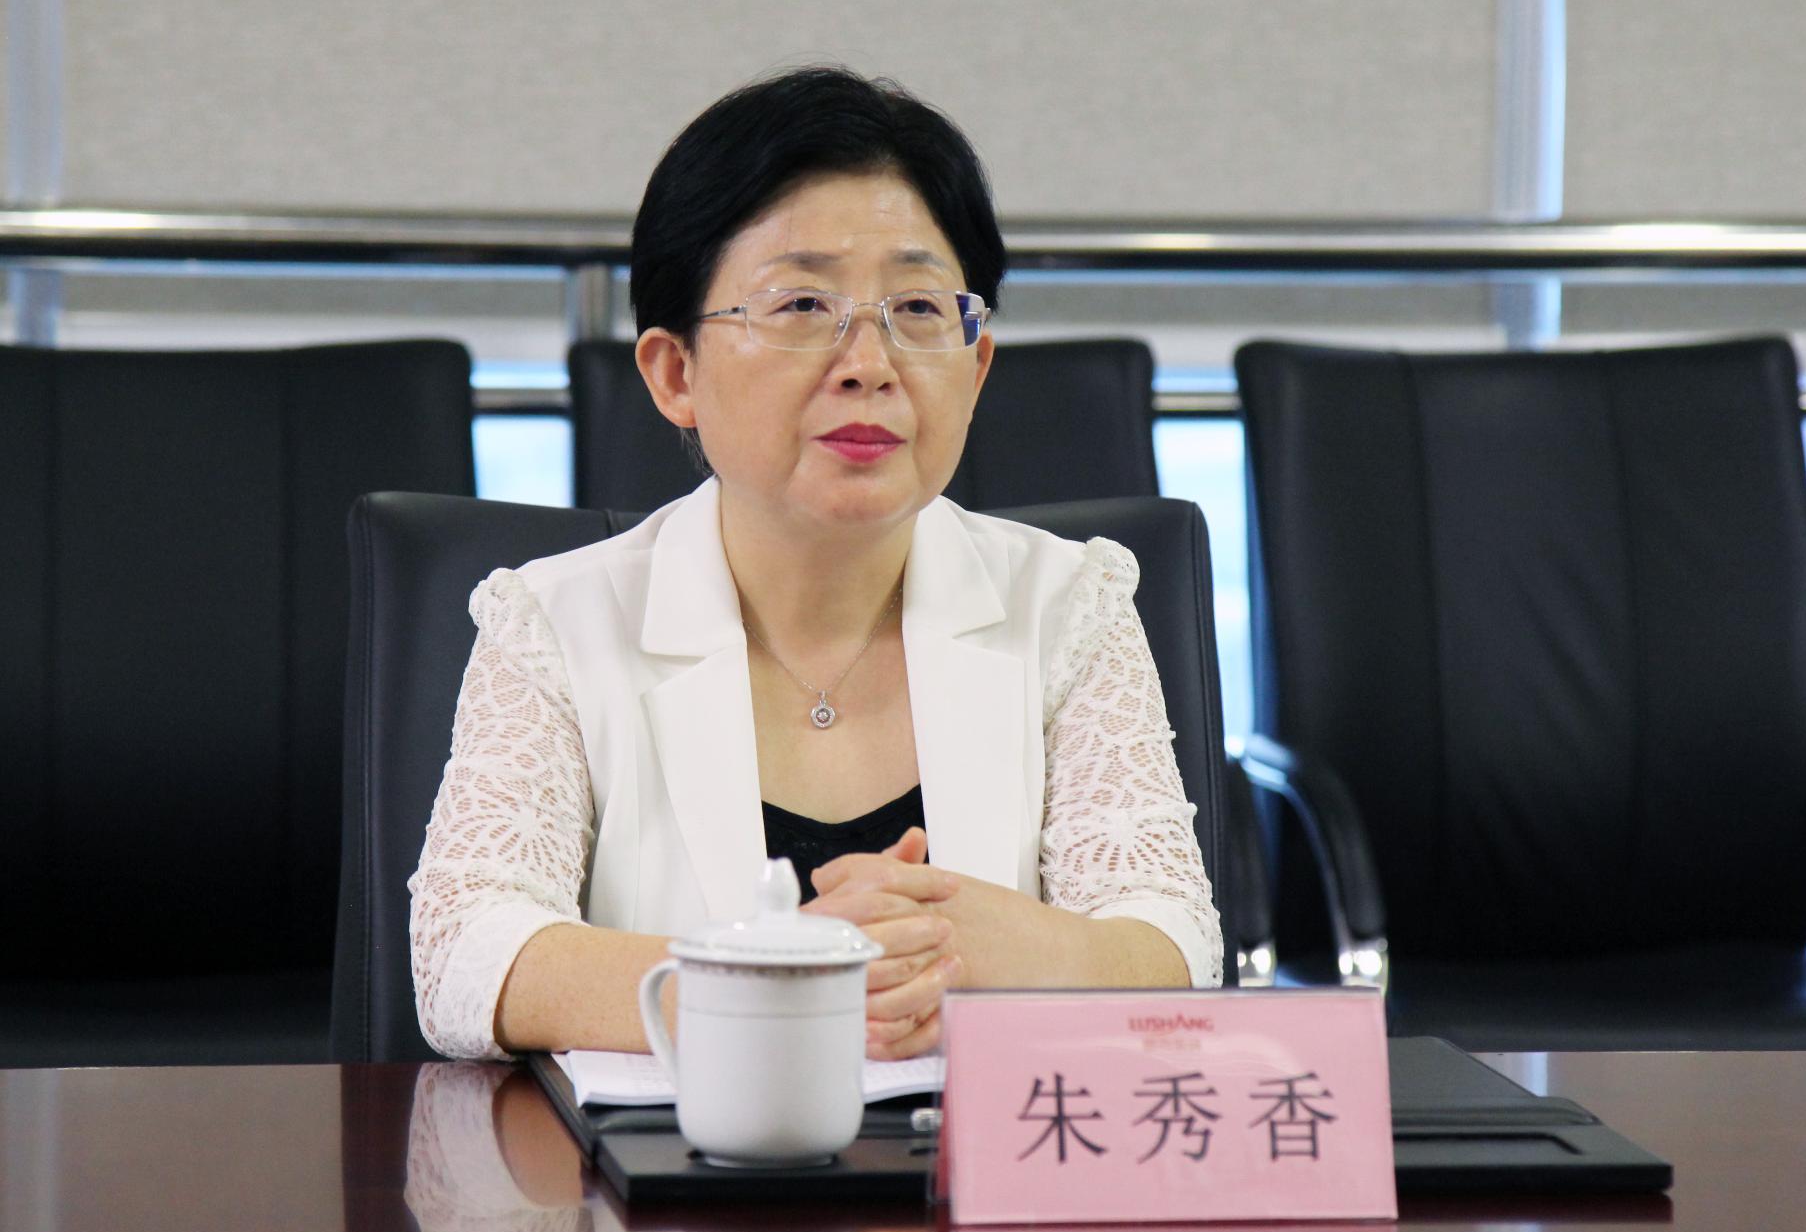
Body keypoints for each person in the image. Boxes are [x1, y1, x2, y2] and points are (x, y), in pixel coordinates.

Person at [409, 66, 1221, 1064]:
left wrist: (985, 949)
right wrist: (776, 980)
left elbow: (1172, 943)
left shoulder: (1067, 605)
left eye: (916, 308)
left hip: (974, 1159)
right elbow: (467, 956)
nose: (869, 363)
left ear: (976, 366)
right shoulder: (557, 621)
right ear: (674, 372)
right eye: (801, 303)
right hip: (674, 1164)